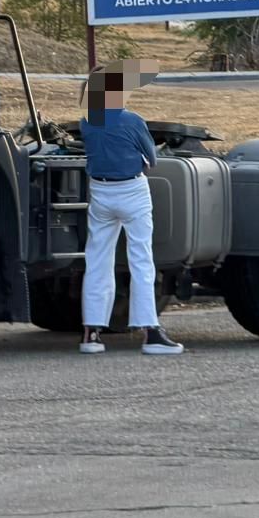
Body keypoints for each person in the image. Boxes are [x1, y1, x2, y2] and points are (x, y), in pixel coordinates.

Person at [78, 59, 183, 356]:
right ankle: (149, 330)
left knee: (98, 260)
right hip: (132, 190)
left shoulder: (88, 121)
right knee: (141, 259)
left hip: (100, 191)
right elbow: (152, 158)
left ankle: (91, 332)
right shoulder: (132, 120)